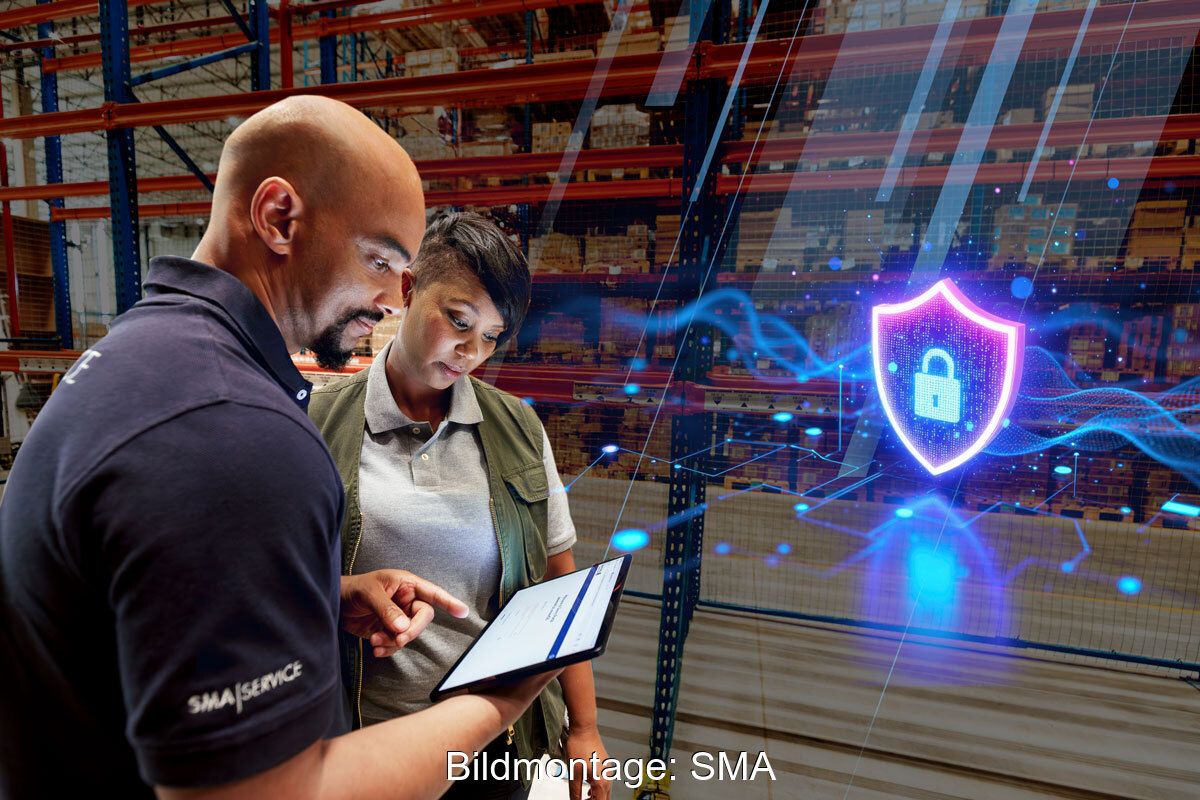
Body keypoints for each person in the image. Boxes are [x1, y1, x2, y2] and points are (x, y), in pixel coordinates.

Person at [0, 95, 560, 799]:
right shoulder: (237, 430)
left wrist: (321, 598)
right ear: (277, 217)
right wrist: (497, 704)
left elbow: (137, 602)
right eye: (379, 260)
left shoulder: (142, 358)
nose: (392, 300)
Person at [308, 211, 611, 800]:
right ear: (407, 288)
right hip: (368, 744)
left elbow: (558, 586)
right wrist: (338, 594)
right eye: (459, 319)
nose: (472, 351)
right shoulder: (319, 424)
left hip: (494, 746)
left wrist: (585, 727)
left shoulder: (518, 429)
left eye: (492, 336)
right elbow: (268, 586)